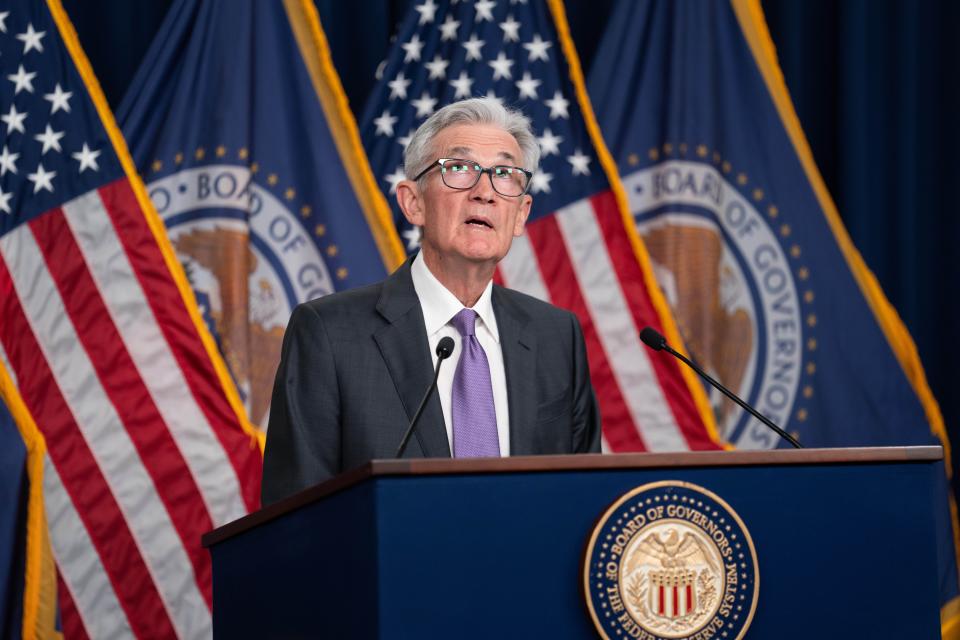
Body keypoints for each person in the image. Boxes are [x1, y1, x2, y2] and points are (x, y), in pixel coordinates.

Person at [261, 98, 600, 505]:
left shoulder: (555, 336)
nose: (484, 192)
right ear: (412, 202)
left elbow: (584, 499)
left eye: (505, 174)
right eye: (459, 169)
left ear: (522, 213)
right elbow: (297, 515)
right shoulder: (330, 334)